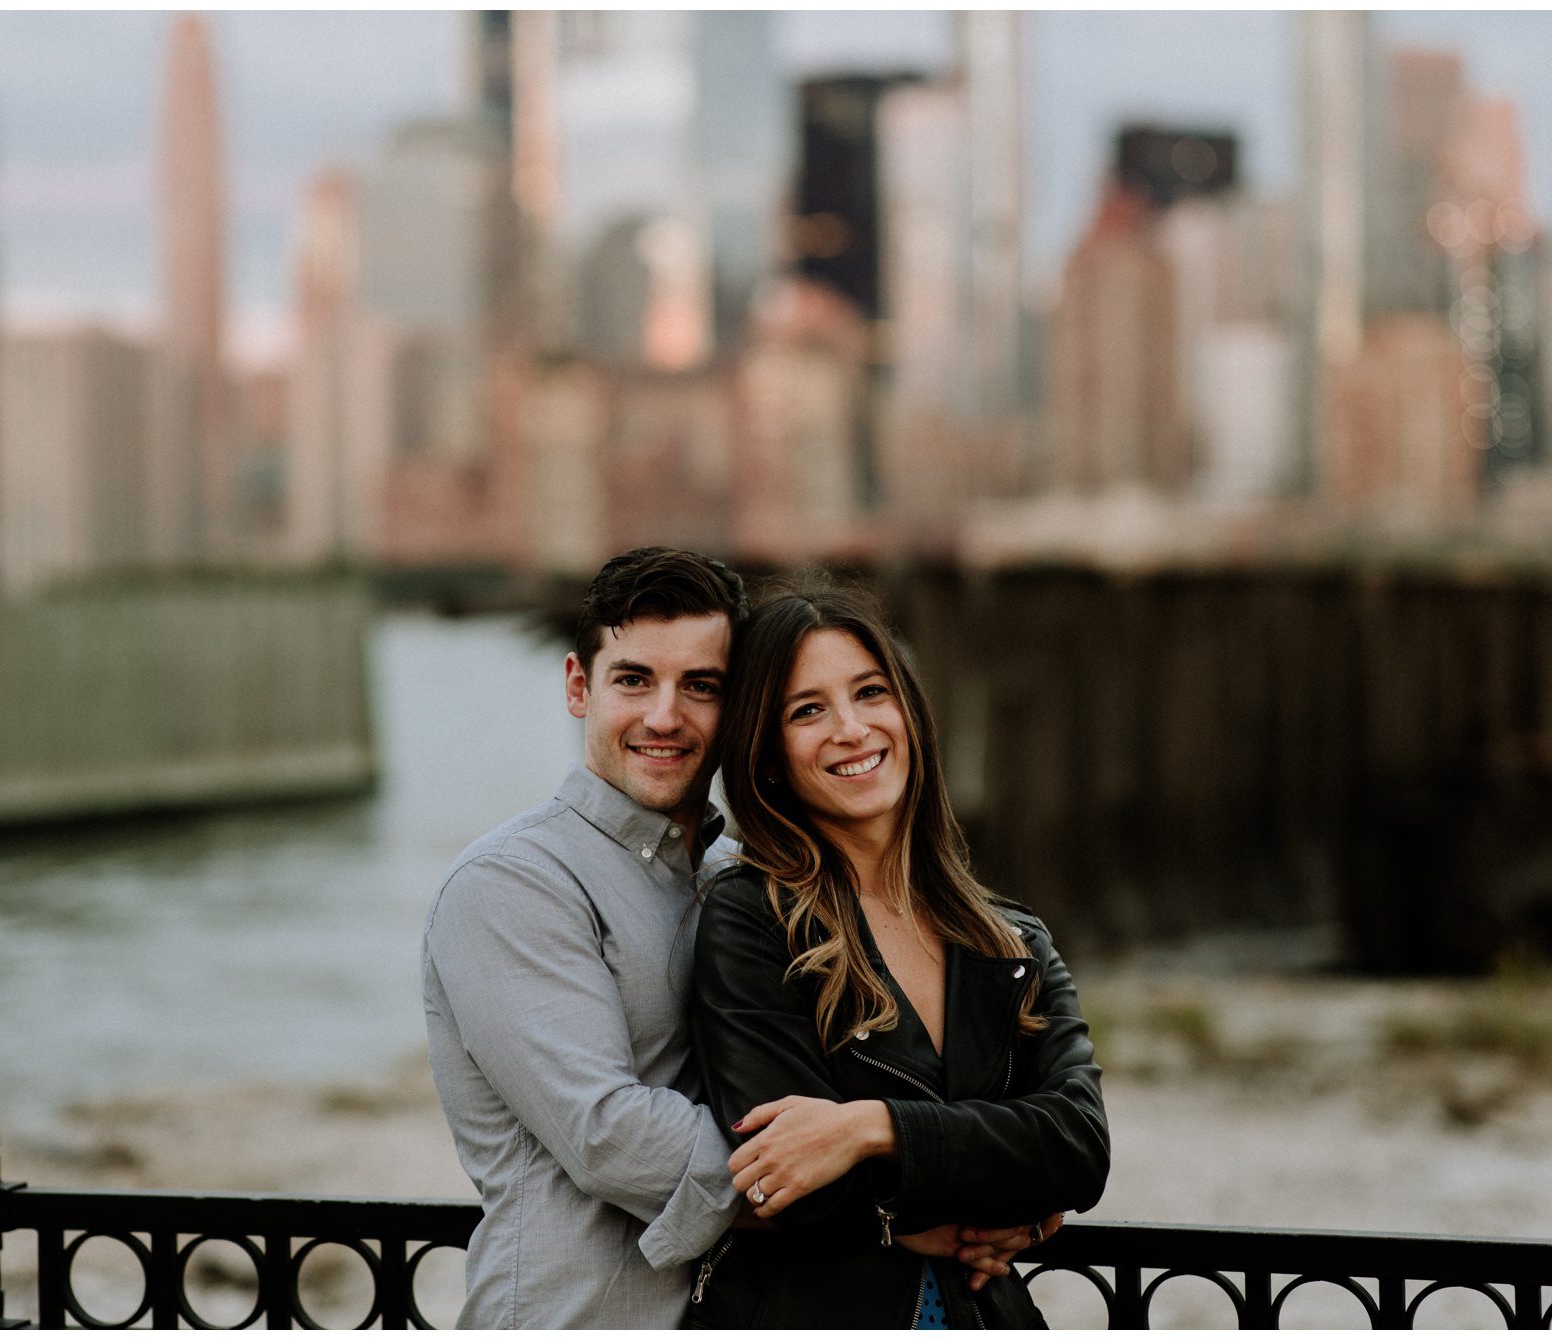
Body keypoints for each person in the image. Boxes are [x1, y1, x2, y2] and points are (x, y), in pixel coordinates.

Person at [685, 585, 1110, 1328]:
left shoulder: (1012, 942)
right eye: (806, 710)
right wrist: (1005, 1190)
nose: (851, 729)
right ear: (770, 757)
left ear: (907, 712)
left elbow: (1078, 1144)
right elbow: (789, 1179)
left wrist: (868, 1127)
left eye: (869, 692)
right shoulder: (752, 920)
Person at [420, 546, 749, 1327]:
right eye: (633, 679)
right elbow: (612, 1135)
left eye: (700, 686)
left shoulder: (744, 877)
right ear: (579, 686)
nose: (664, 716)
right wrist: (873, 1190)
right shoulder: (510, 883)